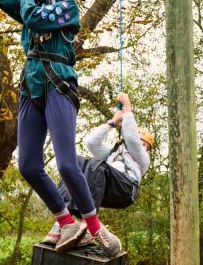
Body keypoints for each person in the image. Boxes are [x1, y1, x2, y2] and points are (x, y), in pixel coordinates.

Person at [0, 0, 122, 257]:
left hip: (59, 86)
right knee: (28, 166)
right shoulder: (31, 4)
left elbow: (35, 18)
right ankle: (66, 222)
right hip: (30, 89)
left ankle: (95, 227)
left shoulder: (68, 6)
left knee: (67, 165)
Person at [42, 92, 153, 247]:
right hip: (106, 189)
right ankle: (63, 222)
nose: (142, 146)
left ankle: (88, 225)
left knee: (97, 164)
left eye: (145, 145)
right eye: (142, 142)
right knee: (75, 162)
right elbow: (91, 143)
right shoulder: (113, 153)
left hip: (126, 190)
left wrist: (127, 107)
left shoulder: (143, 159)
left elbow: (132, 139)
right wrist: (112, 122)